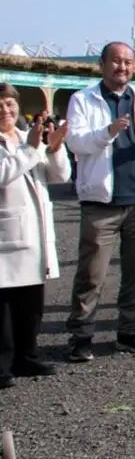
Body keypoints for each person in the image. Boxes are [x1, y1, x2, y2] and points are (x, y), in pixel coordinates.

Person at [64, 42, 135, 362]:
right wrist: (107, 132)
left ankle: (130, 331)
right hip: (101, 202)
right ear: (102, 64)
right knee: (91, 273)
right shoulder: (83, 99)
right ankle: (81, 335)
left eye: (127, 62)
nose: (122, 67)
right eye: (116, 61)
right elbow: (76, 141)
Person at [0, 85, 70, 387]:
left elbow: (59, 176)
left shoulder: (27, 134)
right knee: (3, 305)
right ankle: (2, 366)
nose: (6, 110)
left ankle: (27, 356)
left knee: (31, 300)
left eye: (10, 104)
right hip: (6, 232)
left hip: (34, 230)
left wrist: (53, 149)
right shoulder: (23, 141)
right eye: (0, 105)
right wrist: (30, 149)